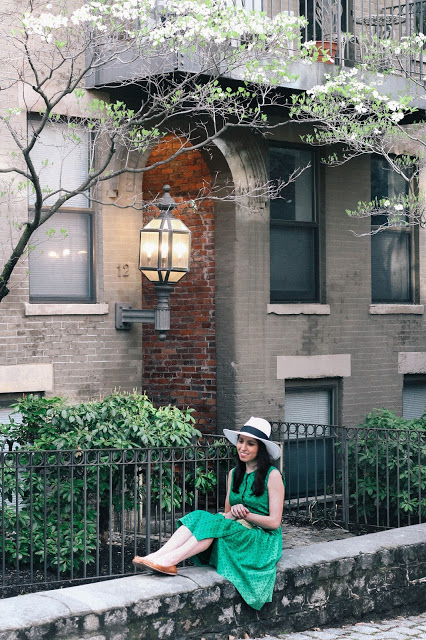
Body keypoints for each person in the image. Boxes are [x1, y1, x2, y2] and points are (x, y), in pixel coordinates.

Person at [132, 417, 285, 611]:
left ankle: (170, 561)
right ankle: (157, 556)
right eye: (240, 441)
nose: (243, 447)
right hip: (237, 529)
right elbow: (228, 514)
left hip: (262, 539)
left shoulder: (273, 476)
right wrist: (231, 515)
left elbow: (274, 523)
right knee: (199, 515)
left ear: (260, 449)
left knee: (214, 523)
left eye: (250, 443)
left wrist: (246, 515)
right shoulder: (233, 474)